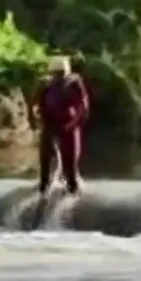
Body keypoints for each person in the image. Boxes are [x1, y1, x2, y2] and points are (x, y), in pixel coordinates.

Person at [29, 55, 90, 195]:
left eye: (60, 73)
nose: (58, 76)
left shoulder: (74, 82)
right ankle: (45, 185)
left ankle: (71, 185)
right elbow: (33, 103)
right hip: (50, 122)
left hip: (68, 123)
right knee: (45, 159)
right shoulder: (45, 83)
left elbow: (83, 105)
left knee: (70, 164)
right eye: (56, 73)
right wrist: (34, 119)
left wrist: (74, 123)